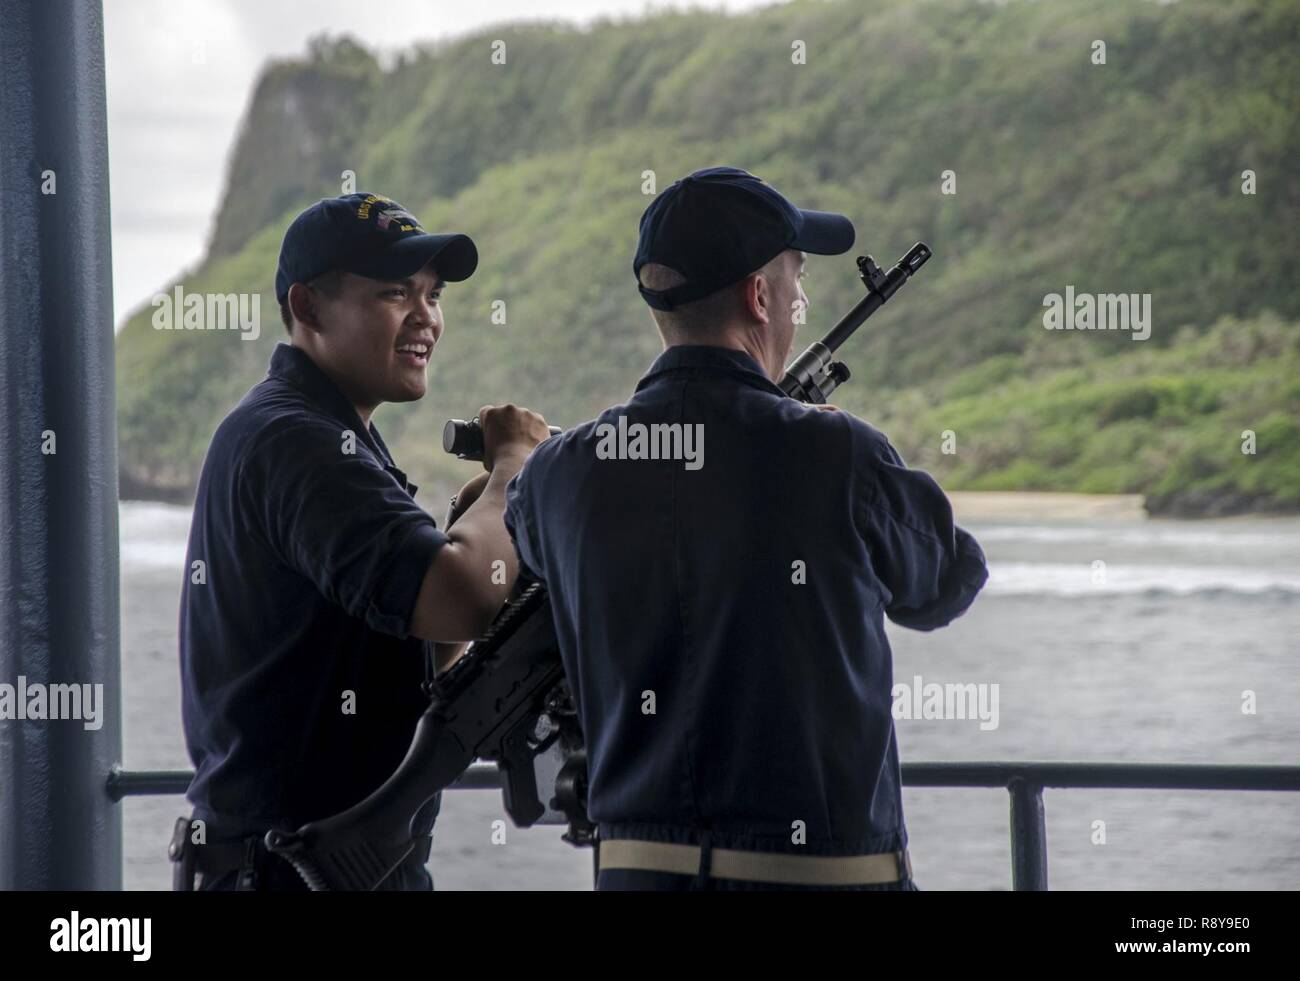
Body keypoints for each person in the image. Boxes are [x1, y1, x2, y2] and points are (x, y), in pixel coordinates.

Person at [503, 167, 988, 890]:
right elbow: (948, 582)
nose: (802, 300)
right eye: (797, 281)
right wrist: (836, 447)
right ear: (759, 297)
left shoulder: (557, 474)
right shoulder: (838, 454)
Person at [176, 192, 549, 890]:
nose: (426, 317)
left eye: (432, 295)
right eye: (394, 292)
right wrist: (515, 465)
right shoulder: (296, 442)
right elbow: (463, 599)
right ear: (309, 307)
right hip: (288, 874)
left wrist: (483, 522)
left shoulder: (332, 437)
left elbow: (433, 640)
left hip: (333, 868)